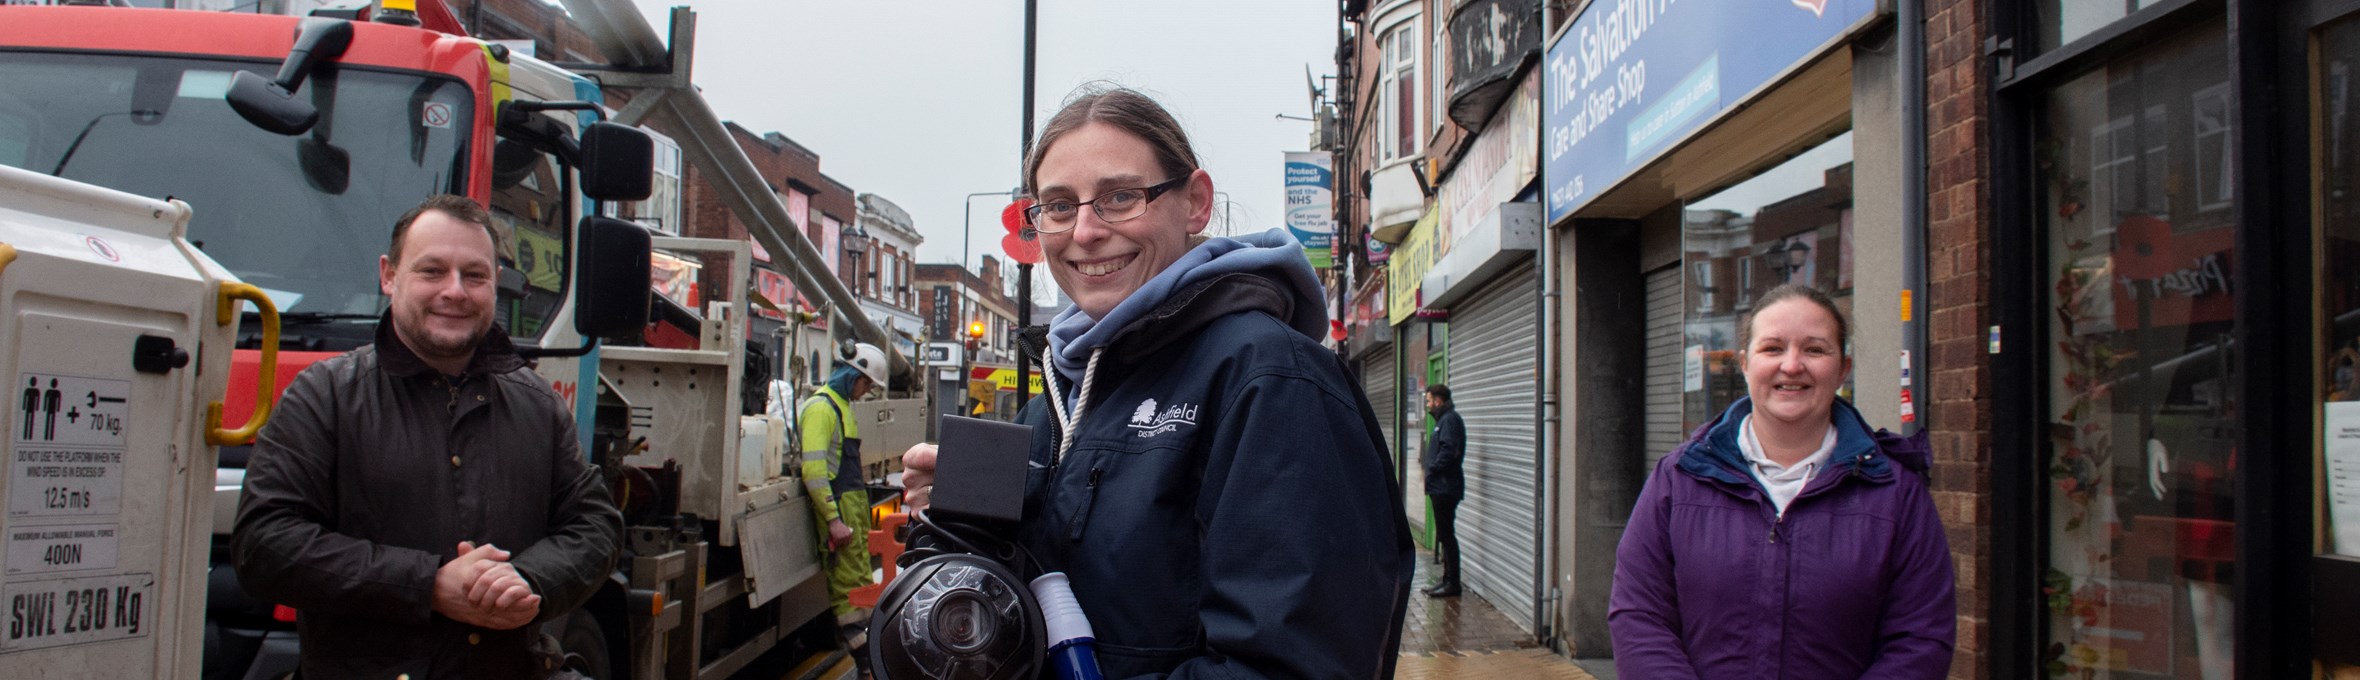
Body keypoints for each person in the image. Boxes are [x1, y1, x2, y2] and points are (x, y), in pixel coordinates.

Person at [899, 86, 1411, 679]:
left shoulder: (1271, 381)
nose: (1086, 231)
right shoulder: (1062, 394)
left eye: (1120, 197)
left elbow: (1295, 666)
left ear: (1195, 203)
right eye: (1059, 206)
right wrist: (964, 520)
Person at [232, 194, 622, 678]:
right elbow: (263, 544)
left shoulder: (537, 404)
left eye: (474, 275)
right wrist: (429, 585)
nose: (455, 291)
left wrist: (525, 581)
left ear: (495, 284)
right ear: (389, 275)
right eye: (432, 271)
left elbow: (595, 527)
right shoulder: (324, 396)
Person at [1609, 283, 1955, 678]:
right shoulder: (1679, 480)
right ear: (1745, 363)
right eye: (1772, 348)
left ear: (1843, 367)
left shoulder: (1896, 493)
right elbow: (1639, 617)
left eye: (1814, 349)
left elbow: (1921, 638)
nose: (1791, 365)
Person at [799, 341, 888, 675]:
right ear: (854, 375)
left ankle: (871, 661)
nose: (866, 391)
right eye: (866, 384)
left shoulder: (839, 406)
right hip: (842, 521)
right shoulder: (821, 409)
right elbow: (815, 473)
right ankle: (867, 664)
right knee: (849, 600)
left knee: (859, 592)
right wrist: (834, 521)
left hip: (852, 518)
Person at [1420, 383, 1465, 598]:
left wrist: (1433, 469)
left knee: (1447, 536)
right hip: (1441, 486)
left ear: (1438, 400)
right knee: (1444, 534)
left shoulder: (1450, 420)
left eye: (1429, 401)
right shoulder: (1444, 420)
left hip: (1446, 486)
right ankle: (1447, 579)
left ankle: (1452, 583)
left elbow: (1450, 450)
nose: (1428, 405)